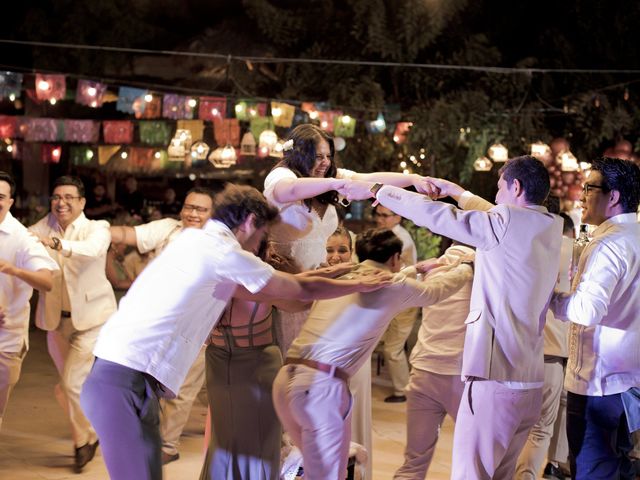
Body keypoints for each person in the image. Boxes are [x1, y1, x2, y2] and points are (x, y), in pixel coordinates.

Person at [80, 184, 391, 480]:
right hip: (122, 384)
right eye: (260, 235)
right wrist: (360, 283)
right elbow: (295, 288)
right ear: (250, 221)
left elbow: (276, 287)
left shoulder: (194, 241)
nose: (258, 245)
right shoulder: (224, 253)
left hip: (124, 381)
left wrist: (333, 272)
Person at [342, 154, 564, 479]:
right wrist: (456, 191)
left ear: (516, 187)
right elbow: (493, 219)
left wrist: (378, 189)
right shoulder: (548, 227)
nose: (497, 198)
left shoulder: (503, 224)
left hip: (495, 376)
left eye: (500, 189)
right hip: (529, 379)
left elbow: (436, 215)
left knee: (470, 473)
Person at [272, 227, 473, 479]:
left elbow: (387, 281)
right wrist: (467, 267)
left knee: (316, 471)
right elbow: (436, 291)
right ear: (394, 258)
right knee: (328, 475)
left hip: (285, 380)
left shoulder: (344, 277)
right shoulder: (392, 287)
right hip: (319, 387)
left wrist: (415, 270)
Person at [264, 123, 429, 355]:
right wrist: (337, 183)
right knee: (294, 357)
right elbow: (286, 191)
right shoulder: (283, 175)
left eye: (328, 156)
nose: (325, 162)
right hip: (290, 287)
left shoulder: (332, 178)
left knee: (327, 356)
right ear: (301, 155)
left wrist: (413, 178)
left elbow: (370, 178)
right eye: (318, 156)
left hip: (326, 283)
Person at [549, 157, 640, 479]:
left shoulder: (608, 243)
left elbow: (588, 311)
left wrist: (551, 300)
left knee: (593, 470)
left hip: (598, 383)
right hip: (631, 379)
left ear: (612, 196)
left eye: (589, 188)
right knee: (621, 467)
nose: (581, 194)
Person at [110, 186, 215, 464]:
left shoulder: (218, 242)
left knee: (182, 388)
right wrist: (94, 231)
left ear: (212, 214)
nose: (193, 213)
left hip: (194, 328)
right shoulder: (169, 229)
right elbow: (129, 234)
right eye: (189, 207)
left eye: (201, 209)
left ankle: (167, 445)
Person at [29, 175, 117, 473]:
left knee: (70, 384)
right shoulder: (41, 226)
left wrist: (55, 243)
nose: (61, 202)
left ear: (81, 202)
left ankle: (84, 441)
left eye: (68, 197)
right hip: (56, 321)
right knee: (65, 389)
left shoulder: (98, 229)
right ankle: (92, 433)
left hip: (93, 319)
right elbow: (18, 241)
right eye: (56, 197)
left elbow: (90, 251)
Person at [393, 242, 474, 479]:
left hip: (424, 371)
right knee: (472, 461)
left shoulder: (433, 271)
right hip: (464, 376)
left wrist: (417, 267)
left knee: (414, 462)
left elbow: (396, 281)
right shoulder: (484, 269)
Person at [516, 212, 574, 480]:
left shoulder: (527, 246)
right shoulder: (573, 250)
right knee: (542, 427)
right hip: (556, 353)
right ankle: (544, 469)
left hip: (523, 350)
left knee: (520, 426)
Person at [0, 171, 58, 430]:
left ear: (10, 202)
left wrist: (14, 270)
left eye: (0, 197)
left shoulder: (22, 238)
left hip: (4, 342)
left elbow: (46, 282)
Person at [374, 204, 419, 403]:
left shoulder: (399, 239)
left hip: (405, 298)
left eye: (385, 216)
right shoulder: (388, 234)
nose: (380, 219)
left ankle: (403, 391)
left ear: (398, 217)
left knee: (392, 348)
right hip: (395, 297)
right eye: (378, 215)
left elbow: (391, 270)